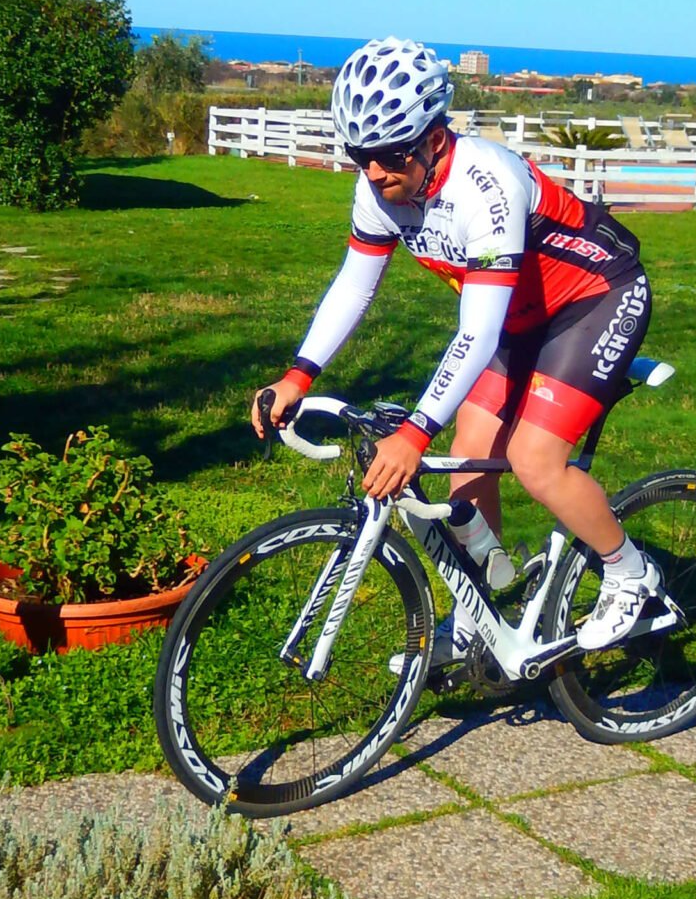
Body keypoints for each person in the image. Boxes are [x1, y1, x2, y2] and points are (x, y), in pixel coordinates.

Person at [251, 36, 663, 664]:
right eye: (361, 157)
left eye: (390, 156)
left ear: (433, 138)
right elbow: (355, 285)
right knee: (468, 457)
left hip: (594, 298)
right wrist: (298, 376)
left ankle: (631, 573)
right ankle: (481, 621)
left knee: (533, 459)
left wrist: (414, 433)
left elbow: (475, 332)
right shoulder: (378, 189)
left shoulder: (485, 185)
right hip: (519, 320)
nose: (376, 172)